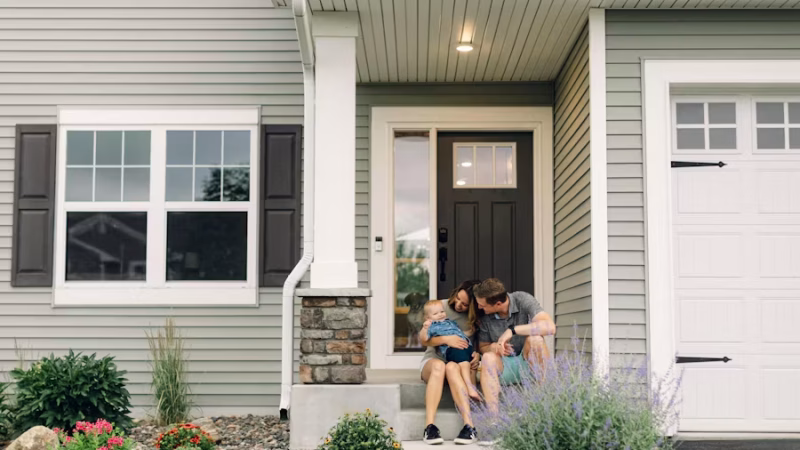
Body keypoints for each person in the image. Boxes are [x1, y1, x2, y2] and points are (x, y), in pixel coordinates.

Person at [473, 278, 556, 415]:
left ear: (498, 304)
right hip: (504, 366)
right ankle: (494, 419)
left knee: (536, 339)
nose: (479, 307)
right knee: (487, 357)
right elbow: (483, 347)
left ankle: (546, 405)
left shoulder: (522, 299)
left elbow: (550, 327)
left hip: (528, 363)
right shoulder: (485, 316)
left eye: (482, 305)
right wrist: (494, 347)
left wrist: (512, 330)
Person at [418, 280, 481, 445]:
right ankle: (430, 427)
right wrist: (446, 339)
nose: (458, 304)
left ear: (474, 305)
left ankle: (469, 426)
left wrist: (477, 354)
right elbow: (425, 340)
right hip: (435, 360)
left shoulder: (478, 316)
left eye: (465, 304)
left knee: (451, 366)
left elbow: (479, 343)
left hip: (459, 362)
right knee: (440, 366)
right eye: (457, 298)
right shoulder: (440, 307)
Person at [420, 299, 481, 401]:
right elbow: (424, 339)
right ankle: (469, 387)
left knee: (470, 365)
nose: (440, 315)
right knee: (464, 363)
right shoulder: (432, 326)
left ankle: (473, 404)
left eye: (442, 312)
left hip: (465, 346)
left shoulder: (451, 322)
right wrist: (425, 328)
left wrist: (471, 331)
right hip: (452, 349)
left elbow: (461, 333)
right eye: (435, 313)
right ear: (428, 317)